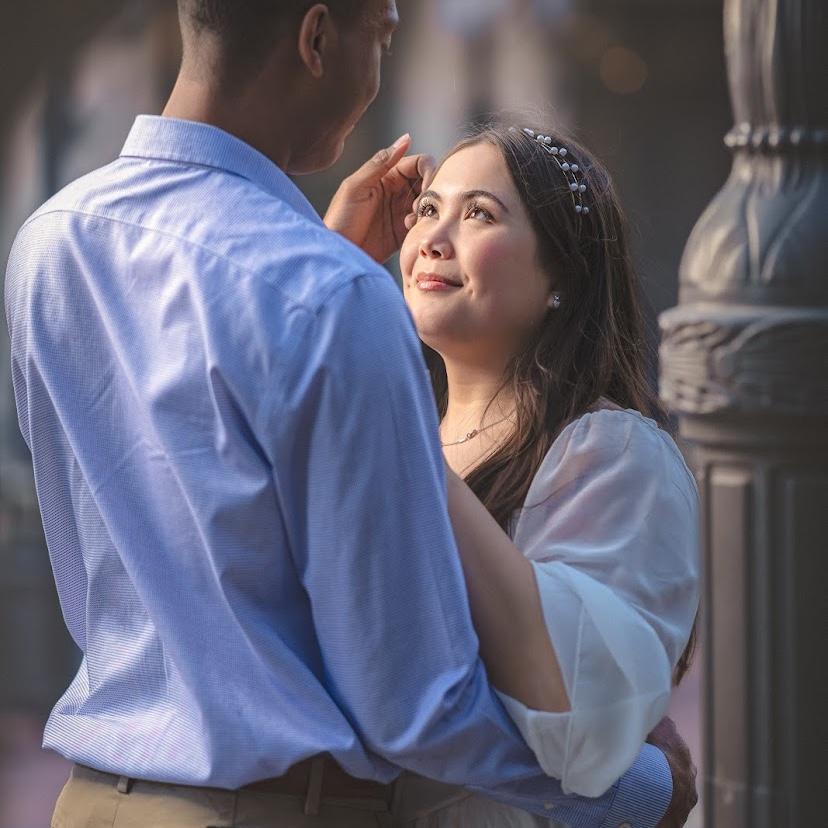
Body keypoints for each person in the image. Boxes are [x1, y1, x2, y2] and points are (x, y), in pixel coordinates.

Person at [5, 2, 695, 826]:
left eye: (478, 213)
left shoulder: (49, 242)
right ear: (317, 36)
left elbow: (124, 577)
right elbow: (413, 705)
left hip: (92, 798)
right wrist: (632, 792)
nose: (430, 235)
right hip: (264, 808)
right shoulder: (328, 293)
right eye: (386, 36)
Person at [327, 122, 700, 826]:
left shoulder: (610, 454)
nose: (434, 239)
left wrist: (394, 430)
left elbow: (582, 720)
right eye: (427, 210)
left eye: (479, 215)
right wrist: (329, 265)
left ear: (562, 274)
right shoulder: (397, 438)